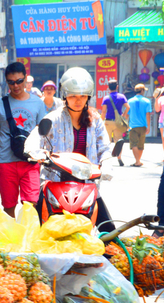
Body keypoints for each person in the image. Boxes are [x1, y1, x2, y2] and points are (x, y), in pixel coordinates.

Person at [25, 67, 113, 231]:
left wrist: (106, 163)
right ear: (65, 96)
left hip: (86, 184)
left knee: (109, 233)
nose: (78, 100)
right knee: (34, 232)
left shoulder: (95, 120)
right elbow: (35, 137)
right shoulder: (53, 118)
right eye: (73, 96)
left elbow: (104, 148)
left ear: (88, 96)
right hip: (55, 182)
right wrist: (36, 152)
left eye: (82, 96)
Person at [0, 61, 46, 218]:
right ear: (7, 82)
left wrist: (44, 155)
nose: (16, 86)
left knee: (31, 204)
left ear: (25, 79)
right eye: (11, 82)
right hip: (6, 162)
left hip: (30, 161)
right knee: (8, 206)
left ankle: (27, 236)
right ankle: (13, 238)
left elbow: (43, 132)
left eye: (19, 81)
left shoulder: (38, 103)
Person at [100, 79, 129, 167]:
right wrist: (123, 115)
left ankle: (107, 159)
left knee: (106, 141)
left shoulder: (106, 98)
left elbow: (104, 111)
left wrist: (101, 121)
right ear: (117, 87)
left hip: (108, 122)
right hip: (118, 122)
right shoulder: (122, 96)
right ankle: (119, 157)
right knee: (118, 140)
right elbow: (128, 107)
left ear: (108, 87)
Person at [128, 83, 152, 167]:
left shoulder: (130, 101)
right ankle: (138, 161)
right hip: (143, 126)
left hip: (132, 125)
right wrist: (148, 126)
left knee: (134, 144)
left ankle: (137, 161)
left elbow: (127, 114)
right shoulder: (147, 101)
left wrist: (127, 124)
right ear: (142, 91)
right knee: (141, 144)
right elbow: (148, 114)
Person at [154, 86, 164, 161]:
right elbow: (157, 109)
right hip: (162, 121)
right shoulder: (161, 98)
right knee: (163, 139)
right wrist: (156, 98)